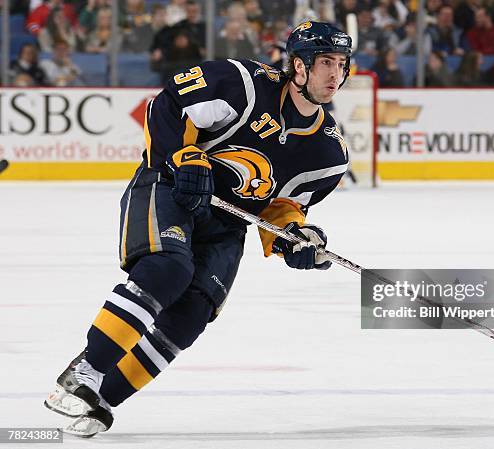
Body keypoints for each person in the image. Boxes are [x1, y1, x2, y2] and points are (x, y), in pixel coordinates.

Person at [44, 21, 351, 438]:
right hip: (169, 187)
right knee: (168, 269)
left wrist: (294, 238)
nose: (335, 74)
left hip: (226, 222)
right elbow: (166, 106)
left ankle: (99, 401)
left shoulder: (328, 152)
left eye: (341, 64)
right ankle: (85, 370)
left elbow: (280, 206)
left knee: (192, 314)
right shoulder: (241, 83)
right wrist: (182, 156)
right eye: (325, 63)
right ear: (299, 65)